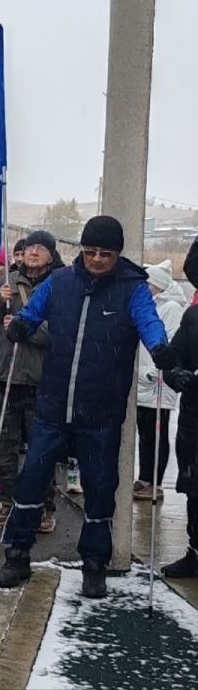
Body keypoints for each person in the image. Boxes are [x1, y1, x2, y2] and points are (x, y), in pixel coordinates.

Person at [0, 216, 175, 598]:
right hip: (53, 405)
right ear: (81, 250)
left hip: (101, 411)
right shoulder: (60, 282)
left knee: (100, 487)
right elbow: (31, 313)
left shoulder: (132, 289)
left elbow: (149, 324)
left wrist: (161, 350)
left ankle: (94, 564)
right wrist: (20, 325)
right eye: (90, 251)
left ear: (117, 254)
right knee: (31, 479)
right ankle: (17, 555)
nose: (96, 259)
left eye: (105, 254)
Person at [0, 230, 62, 532]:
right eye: (30, 247)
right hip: (5, 373)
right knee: (2, 445)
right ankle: (6, 501)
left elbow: (59, 332)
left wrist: (24, 328)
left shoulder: (58, 286)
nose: (33, 252)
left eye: (41, 248)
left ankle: (43, 506)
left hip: (39, 378)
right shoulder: (6, 281)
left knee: (41, 448)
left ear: (51, 255)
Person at [134, 260, 186, 501]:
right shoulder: (149, 305)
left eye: (148, 283)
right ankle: (144, 478)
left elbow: (172, 342)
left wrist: (158, 371)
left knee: (157, 434)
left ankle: (155, 482)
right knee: (144, 434)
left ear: (158, 285)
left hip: (158, 382)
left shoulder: (171, 308)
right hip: (143, 380)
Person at [161, 243, 198, 578]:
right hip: (194, 422)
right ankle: (195, 552)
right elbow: (174, 359)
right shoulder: (192, 316)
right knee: (195, 491)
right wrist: (176, 374)